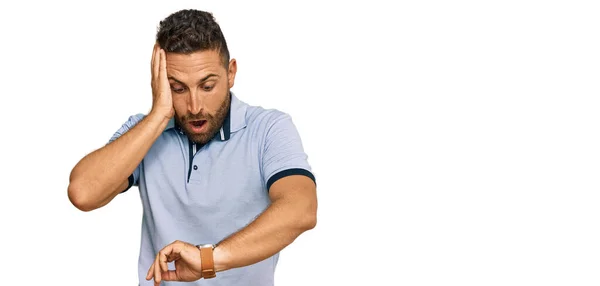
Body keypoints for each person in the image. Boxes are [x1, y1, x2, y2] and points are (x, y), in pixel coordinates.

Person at [67, 9, 317, 286]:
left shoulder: (268, 128)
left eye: (207, 86)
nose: (195, 107)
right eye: (178, 88)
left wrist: (207, 260)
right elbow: (83, 193)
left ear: (231, 73)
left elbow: (301, 209)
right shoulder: (144, 131)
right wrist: (159, 116)